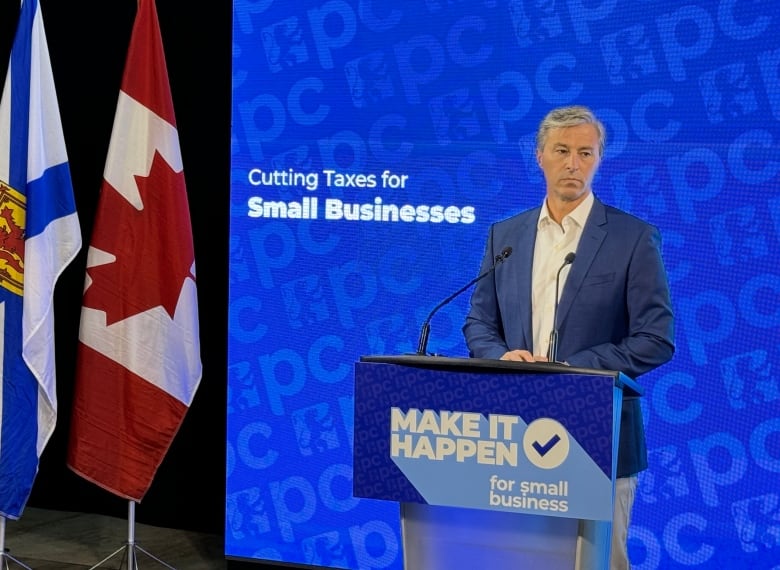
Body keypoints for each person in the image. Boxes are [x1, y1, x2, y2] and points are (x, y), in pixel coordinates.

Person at [462, 105, 675, 569]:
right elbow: (478, 323)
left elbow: (656, 337)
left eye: (585, 152)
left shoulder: (633, 238)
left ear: (598, 159)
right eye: (562, 151)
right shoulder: (506, 235)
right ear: (540, 156)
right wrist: (500, 356)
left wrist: (573, 372)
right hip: (514, 433)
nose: (573, 163)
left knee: (600, 562)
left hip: (603, 435)